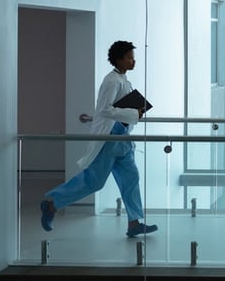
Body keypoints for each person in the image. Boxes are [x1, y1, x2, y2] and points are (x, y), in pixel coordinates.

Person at [40, 41, 158, 238]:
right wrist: (133, 113)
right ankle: (52, 204)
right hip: (110, 138)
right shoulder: (111, 81)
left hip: (123, 138)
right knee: (94, 181)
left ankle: (134, 223)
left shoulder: (122, 79)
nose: (133, 61)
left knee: (131, 178)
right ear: (119, 59)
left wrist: (134, 114)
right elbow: (104, 110)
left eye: (133, 57)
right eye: (129, 57)